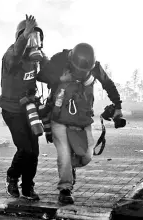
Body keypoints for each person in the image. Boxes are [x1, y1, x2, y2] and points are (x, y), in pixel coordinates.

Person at [37, 43, 123, 204]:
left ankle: (69, 167)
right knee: (63, 152)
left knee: (86, 156)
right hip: (58, 117)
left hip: (82, 119)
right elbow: (41, 76)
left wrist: (118, 106)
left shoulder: (95, 67)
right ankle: (65, 188)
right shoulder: (60, 59)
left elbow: (108, 84)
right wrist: (62, 79)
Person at [0, 15, 49, 200]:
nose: (33, 42)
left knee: (34, 151)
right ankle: (12, 176)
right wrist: (25, 35)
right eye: (29, 38)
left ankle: (28, 186)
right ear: (20, 38)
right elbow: (15, 56)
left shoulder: (35, 59)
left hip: (29, 109)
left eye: (36, 38)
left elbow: (48, 74)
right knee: (25, 148)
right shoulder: (11, 56)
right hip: (12, 110)